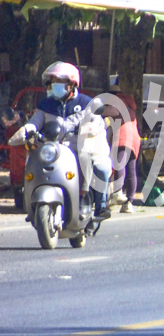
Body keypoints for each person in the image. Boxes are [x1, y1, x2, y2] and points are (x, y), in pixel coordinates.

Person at [24, 62, 114, 219]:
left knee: (97, 165)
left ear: (72, 84)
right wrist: (27, 130)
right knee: (33, 164)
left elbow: (97, 121)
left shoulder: (87, 103)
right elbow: (35, 121)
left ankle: (100, 205)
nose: (54, 85)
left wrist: (91, 127)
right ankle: (31, 203)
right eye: (52, 81)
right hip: (54, 150)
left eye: (58, 81)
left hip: (80, 148)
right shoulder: (46, 104)